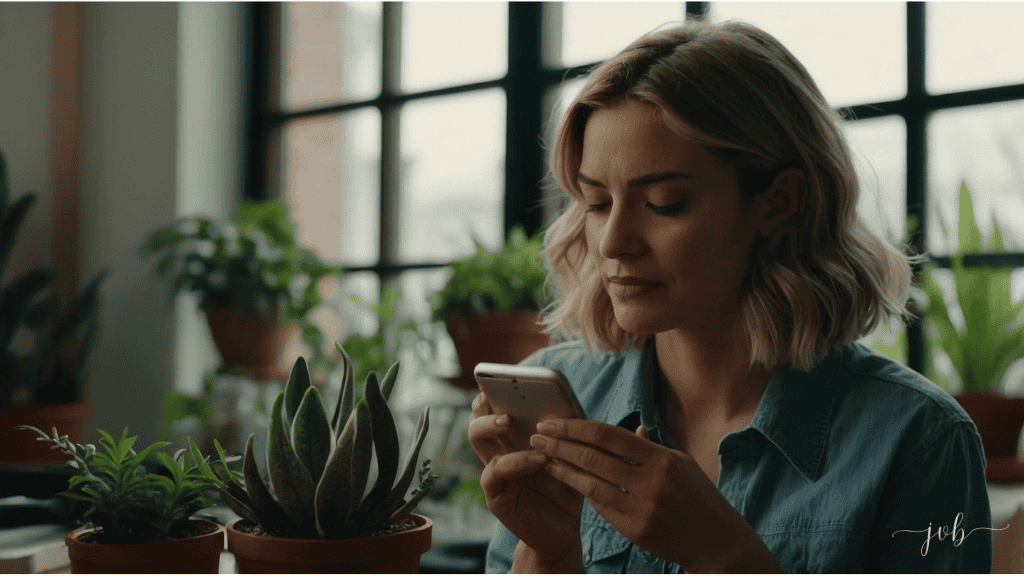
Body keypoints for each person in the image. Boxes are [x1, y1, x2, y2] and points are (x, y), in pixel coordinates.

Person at [468, 19, 993, 573]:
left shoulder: (919, 439)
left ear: (780, 201)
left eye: (665, 202)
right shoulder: (565, 395)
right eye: (596, 203)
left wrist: (724, 556)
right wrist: (549, 551)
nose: (614, 242)